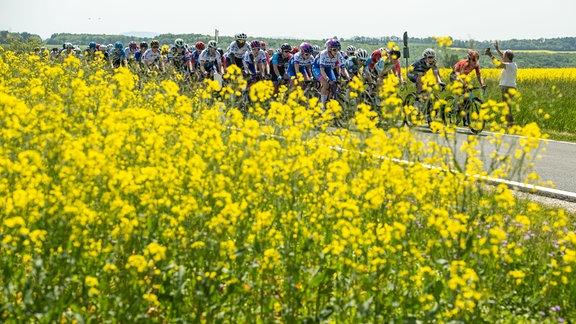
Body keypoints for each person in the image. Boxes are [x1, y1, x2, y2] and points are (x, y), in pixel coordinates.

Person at [486, 41, 517, 127]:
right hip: (509, 87)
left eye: (504, 55)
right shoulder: (512, 64)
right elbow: (503, 57)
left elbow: (499, 64)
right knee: (507, 106)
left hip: (507, 88)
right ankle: (510, 124)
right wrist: (497, 49)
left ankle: (510, 124)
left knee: (507, 107)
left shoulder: (509, 66)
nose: (502, 56)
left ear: (507, 57)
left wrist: (490, 55)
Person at [312, 38, 342, 110]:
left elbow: (341, 67)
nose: (336, 51)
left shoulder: (338, 54)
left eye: (337, 49)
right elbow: (322, 70)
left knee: (334, 84)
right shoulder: (323, 53)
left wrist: (341, 76)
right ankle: (322, 106)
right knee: (326, 83)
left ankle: (329, 101)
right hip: (318, 68)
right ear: (329, 49)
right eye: (334, 49)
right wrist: (328, 79)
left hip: (328, 68)